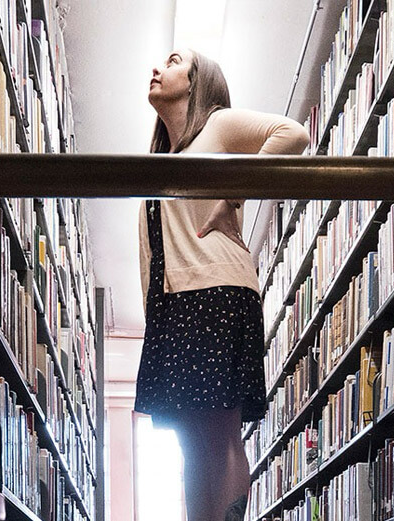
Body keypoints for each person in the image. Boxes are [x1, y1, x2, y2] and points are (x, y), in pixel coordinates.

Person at [134, 49, 310, 521]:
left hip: (215, 292)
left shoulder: (218, 124)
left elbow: (293, 134)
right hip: (175, 305)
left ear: (198, 81)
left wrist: (235, 192)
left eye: (173, 61)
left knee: (217, 433)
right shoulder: (160, 161)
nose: (158, 68)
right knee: (189, 442)